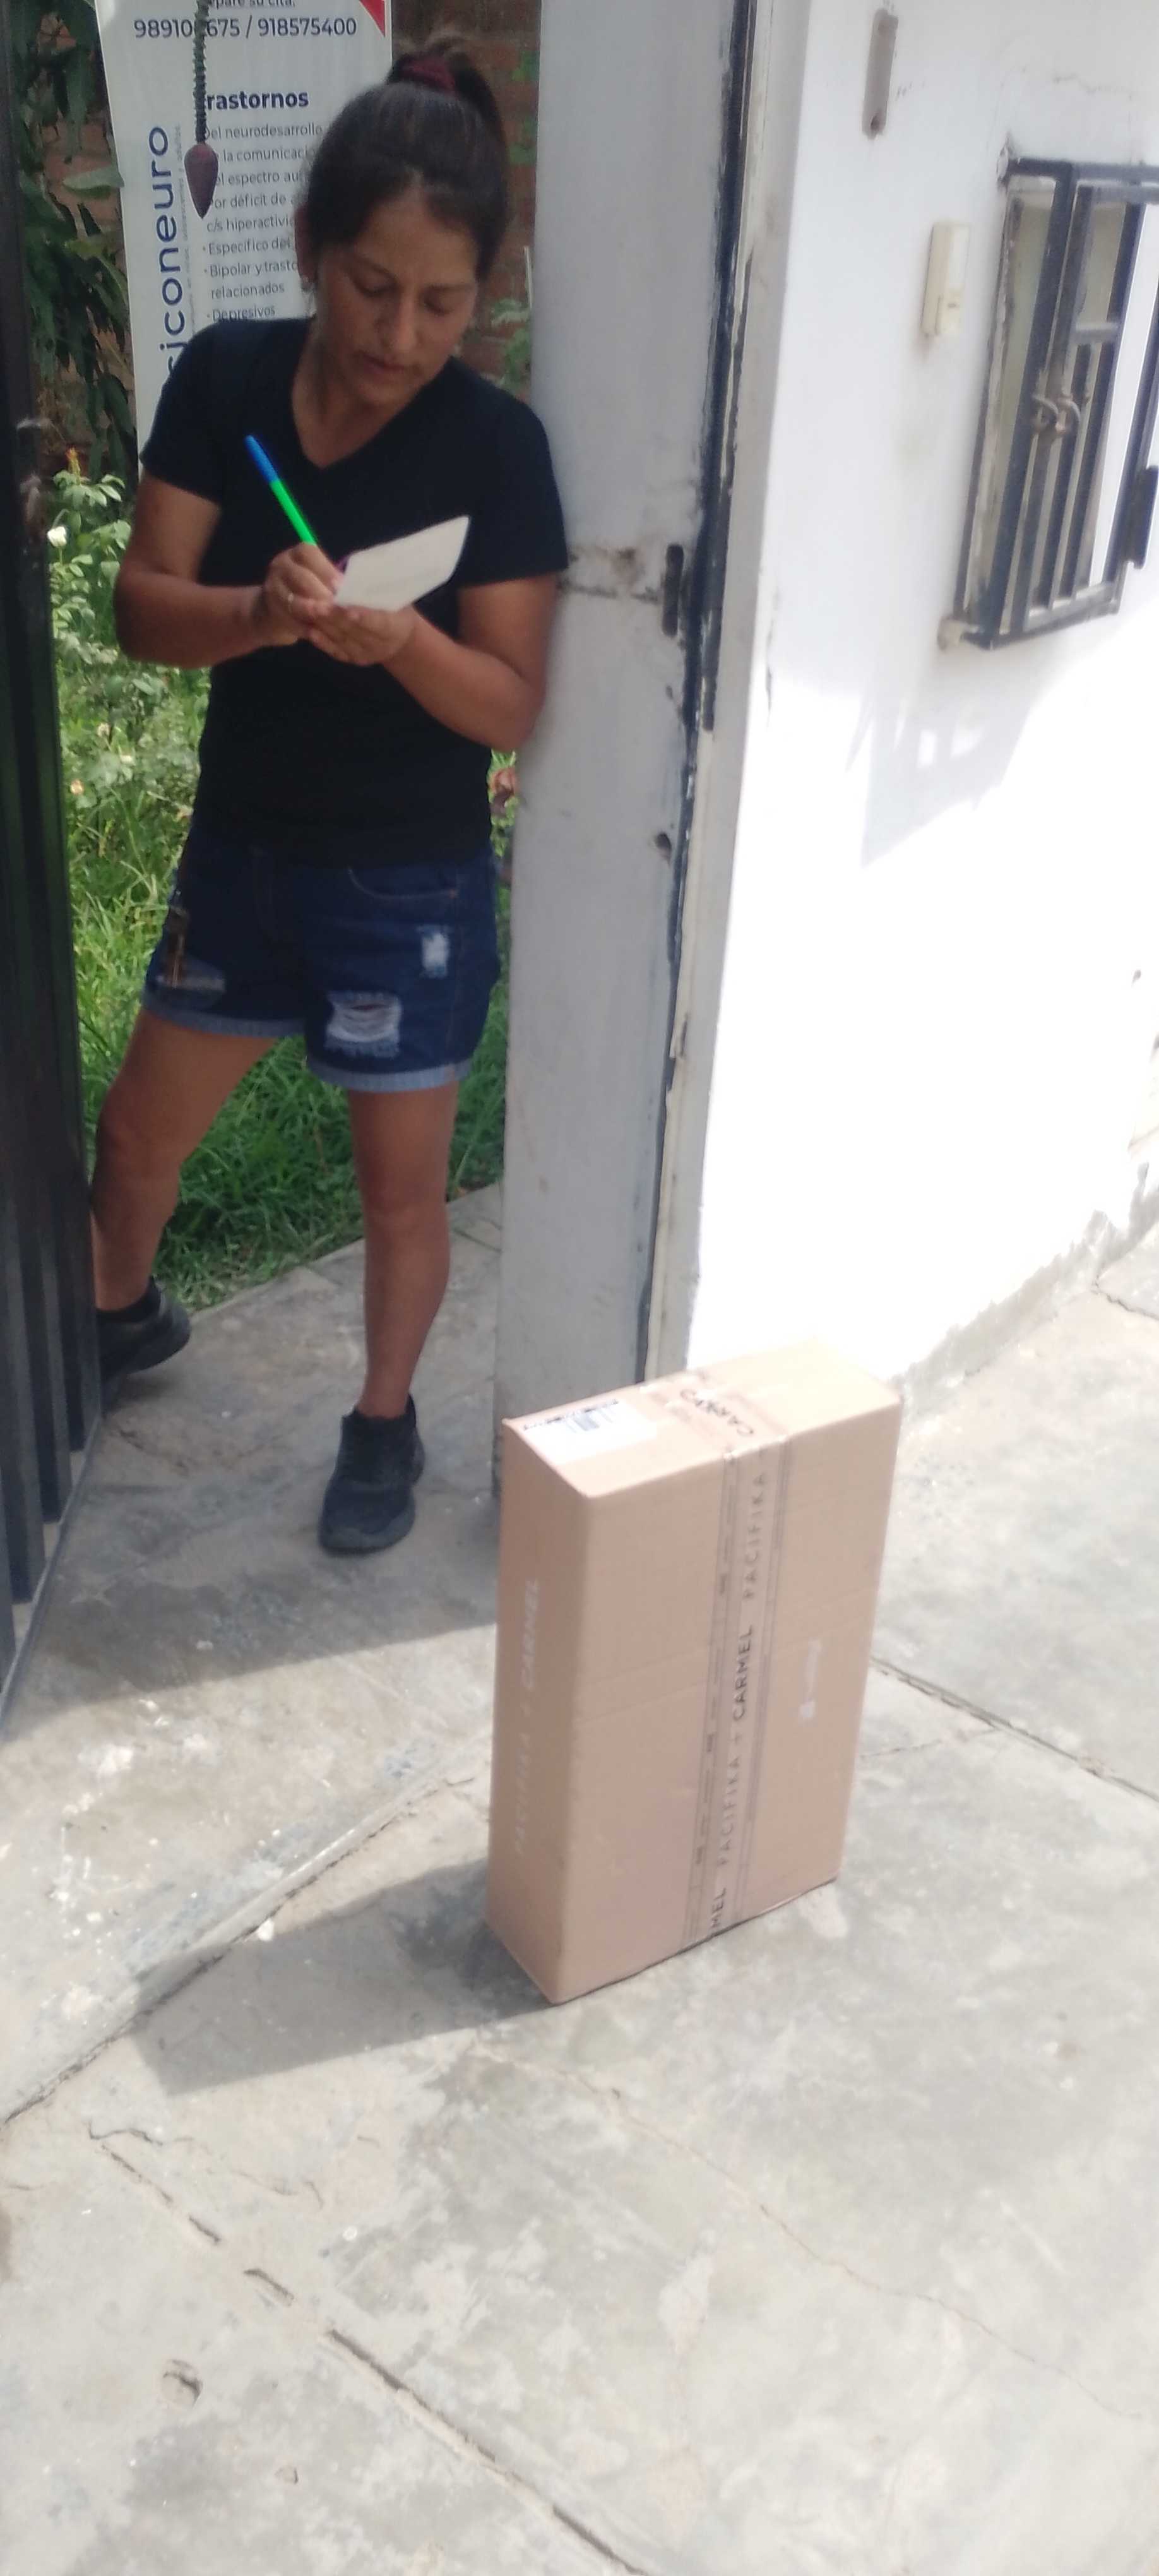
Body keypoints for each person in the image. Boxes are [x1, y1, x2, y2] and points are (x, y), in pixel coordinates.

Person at [92, 34, 567, 1554]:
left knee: (399, 1195)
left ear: (484, 292)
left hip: (408, 882)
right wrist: (259, 614)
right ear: (310, 248)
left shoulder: (495, 447)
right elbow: (139, 607)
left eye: (444, 303)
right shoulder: (228, 376)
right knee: (137, 1136)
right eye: (372, 287)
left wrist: (405, 641)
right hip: (242, 853)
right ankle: (114, 1315)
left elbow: (511, 703)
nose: (402, 334)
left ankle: (382, 1419)